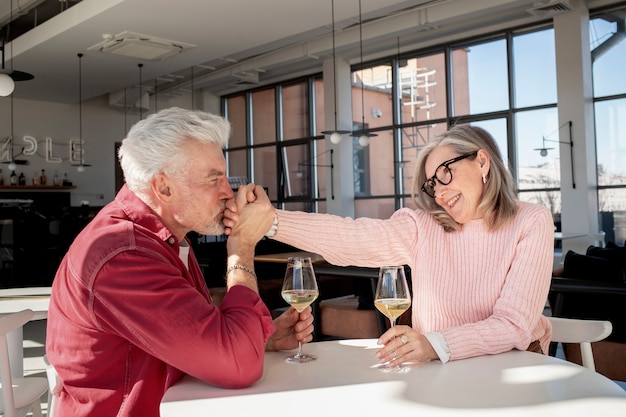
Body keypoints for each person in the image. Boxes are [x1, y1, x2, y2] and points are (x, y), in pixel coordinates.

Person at [45, 107, 314, 417]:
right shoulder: (125, 255)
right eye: (213, 180)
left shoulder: (165, 238)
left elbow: (193, 336)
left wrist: (260, 339)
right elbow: (239, 366)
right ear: (164, 188)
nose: (228, 192)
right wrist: (242, 245)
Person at [225, 124, 554, 366]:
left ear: (482, 162)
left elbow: (512, 326)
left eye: (444, 174)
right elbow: (352, 238)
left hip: (513, 365)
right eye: (431, 185)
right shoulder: (424, 226)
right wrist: (270, 221)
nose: (438, 193)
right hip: (440, 366)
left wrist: (432, 344)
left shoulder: (531, 221)